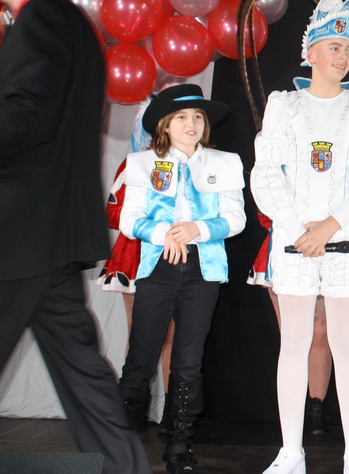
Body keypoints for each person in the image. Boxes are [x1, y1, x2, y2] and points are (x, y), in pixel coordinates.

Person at [0, 0, 150, 473]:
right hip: (49, 237)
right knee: (85, 380)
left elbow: (23, 124)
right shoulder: (71, 25)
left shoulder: (40, 20)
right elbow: (40, 120)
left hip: (12, 236)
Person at [252, 0, 349, 474]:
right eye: (334, 47)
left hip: (345, 242)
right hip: (294, 245)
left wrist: (329, 226)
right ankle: (291, 452)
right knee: (292, 346)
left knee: (346, 346)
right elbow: (266, 173)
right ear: (310, 52)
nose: (343, 56)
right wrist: (297, 230)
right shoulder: (283, 105)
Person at [118, 84, 246, 474]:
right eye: (181, 116)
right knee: (140, 357)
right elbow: (128, 220)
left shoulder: (225, 162)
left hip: (203, 271)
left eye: (197, 117)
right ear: (165, 124)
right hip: (158, 268)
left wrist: (196, 229)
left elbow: (236, 219)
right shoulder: (141, 163)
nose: (191, 123)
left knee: (188, 362)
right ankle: (120, 445)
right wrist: (166, 234)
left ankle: (179, 445)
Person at [101, 138, 176, 433]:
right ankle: (132, 408)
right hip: (135, 255)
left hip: (178, 255)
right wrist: (151, 221)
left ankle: (173, 412)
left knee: (174, 337)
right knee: (141, 334)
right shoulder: (135, 163)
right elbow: (112, 211)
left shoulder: (199, 162)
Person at [248, 217, 335, 436]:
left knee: (320, 335)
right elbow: (266, 212)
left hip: (327, 249)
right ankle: (293, 415)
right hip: (285, 250)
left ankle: (316, 408)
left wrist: (322, 228)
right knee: (292, 340)